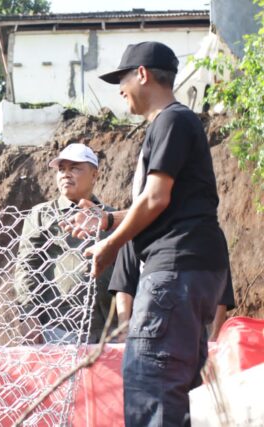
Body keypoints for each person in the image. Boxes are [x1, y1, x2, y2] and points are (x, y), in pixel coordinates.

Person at [74, 41, 230, 425]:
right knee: (175, 395)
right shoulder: (177, 123)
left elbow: (156, 199)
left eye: (122, 79)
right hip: (190, 274)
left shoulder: (171, 120)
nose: (120, 90)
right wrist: (109, 221)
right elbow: (165, 201)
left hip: (172, 276)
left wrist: (110, 245)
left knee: (150, 390)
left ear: (142, 74)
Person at [15, 143, 116, 344]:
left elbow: (127, 269)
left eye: (75, 168)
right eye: (61, 169)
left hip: (107, 329)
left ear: (94, 175)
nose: (65, 174)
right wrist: (28, 314)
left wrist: (126, 320)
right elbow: (27, 265)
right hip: (58, 326)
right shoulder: (42, 215)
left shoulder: (111, 217)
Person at [109, 241, 235, 342]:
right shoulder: (136, 230)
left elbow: (221, 290)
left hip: (193, 333)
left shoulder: (206, 232)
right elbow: (124, 286)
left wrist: (215, 336)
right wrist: (123, 329)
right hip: (146, 332)